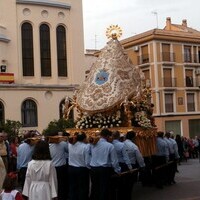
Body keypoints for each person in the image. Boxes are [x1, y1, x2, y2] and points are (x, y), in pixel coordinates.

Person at [90, 128, 121, 200]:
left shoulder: (93, 144)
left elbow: (89, 155)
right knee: (104, 189)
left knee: (95, 188)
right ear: (107, 136)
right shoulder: (110, 146)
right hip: (104, 169)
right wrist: (117, 170)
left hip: (93, 168)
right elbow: (114, 160)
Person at [68, 132, 91, 200]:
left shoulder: (70, 145)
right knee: (83, 188)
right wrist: (89, 168)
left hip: (71, 168)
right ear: (84, 139)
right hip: (82, 169)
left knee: (73, 187)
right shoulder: (85, 147)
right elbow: (87, 161)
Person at [123, 131, 145, 200]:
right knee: (129, 183)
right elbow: (139, 157)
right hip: (132, 166)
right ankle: (128, 196)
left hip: (123, 165)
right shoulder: (133, 146)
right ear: (133, 138)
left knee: (123, 183)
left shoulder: (122, 144)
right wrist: (142, 165)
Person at [49, 132, 69, 200]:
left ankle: (55, 196)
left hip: (53, 167)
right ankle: (61, 197)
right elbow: (68, 150)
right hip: (61, 167)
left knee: (54, 183)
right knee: (61, 184)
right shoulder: (63, 144)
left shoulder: (49, 145)